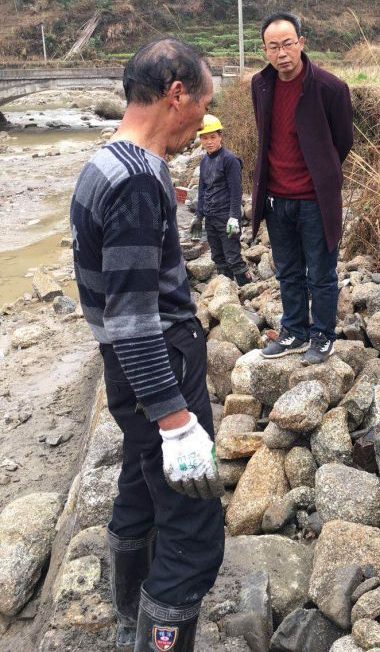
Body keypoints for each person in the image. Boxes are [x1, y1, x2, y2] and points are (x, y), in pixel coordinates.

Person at [71, 38, 225, 652]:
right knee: (192, 525)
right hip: (157, 360)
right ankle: (157, 639)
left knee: (141, 487)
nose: (203, 122)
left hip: (123, 367)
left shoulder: (106, 161)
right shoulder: (137, 180)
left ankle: (127, 612)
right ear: (176, 93)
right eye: (203, 103)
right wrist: (176, 418)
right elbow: (133, 316)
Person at [251, 11, 353, 365]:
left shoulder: (330, 87)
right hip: (277, 200)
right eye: (274, 46)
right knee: (288, 271)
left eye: (288, 44)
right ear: (265, 51)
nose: (282, 53)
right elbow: (266, 135)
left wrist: (320, 174)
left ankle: (323, 335)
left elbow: (343, 140)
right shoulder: (260, 86)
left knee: (321, 273)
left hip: (314, 200)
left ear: (301, 44)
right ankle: (294, 330)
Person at [190, 113, 252, 286]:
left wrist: (234, 217)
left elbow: (236, 190)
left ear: (220, 136)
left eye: (212, 137)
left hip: (226, 216)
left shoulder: (230, 160)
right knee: (217, 256)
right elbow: (202, 190)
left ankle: (246, 288)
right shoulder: (204, 161)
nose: (209, 141)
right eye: (204, 138)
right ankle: (227, 289)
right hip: (210, 217)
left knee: (232, 256)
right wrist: (198, 215)